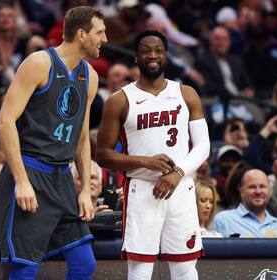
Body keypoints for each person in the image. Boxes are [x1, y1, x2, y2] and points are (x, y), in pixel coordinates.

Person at [0, 6, 107, 280]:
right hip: (31, 170)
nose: (105, 39)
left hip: (62, 179)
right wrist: (22, 181)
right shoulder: (39, 63)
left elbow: (81, 136)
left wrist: (83, 190)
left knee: (84, 263)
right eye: (100, 32)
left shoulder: (90, 76)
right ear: (81, 34)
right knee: (24, 268)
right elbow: (5, 122)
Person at [96, 30, 210, 280]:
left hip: (180, 188)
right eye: (146, 50)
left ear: (166, 55)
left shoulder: (186, 93)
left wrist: (177, 173)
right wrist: (144, 161)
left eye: (158, 50)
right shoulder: (120, 100)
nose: (152, 55)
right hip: (141, 189)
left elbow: (203, 146)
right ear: (136, 57)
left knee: (185, 268)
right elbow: (102, 154)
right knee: (139, 269)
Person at [211, 169, 277, 238]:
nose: (258, 191)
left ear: (269, 191)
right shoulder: (223, 220)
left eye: (262, 186)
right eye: (252, 187)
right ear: (242, 191)